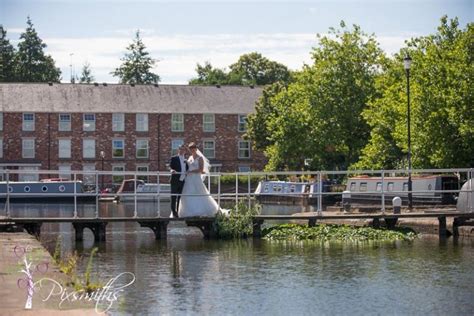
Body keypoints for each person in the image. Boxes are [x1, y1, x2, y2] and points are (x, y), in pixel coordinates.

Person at [178, 142, 219, 217]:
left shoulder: (200, 158)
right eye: (191, 149)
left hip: (196, 178)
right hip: (189, 179)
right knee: (188, 193)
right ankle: (189, 211)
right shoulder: (190, 158)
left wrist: (191, 171)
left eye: (193, 149)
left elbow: (200, 170)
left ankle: (201, 211)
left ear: (196, 149)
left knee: (199, 193)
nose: (192, 150)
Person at [169, 145, 189, 218]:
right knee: (173, 197)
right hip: (175, 180)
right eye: (180, 149)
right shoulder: (174, 158)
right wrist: (172, 170)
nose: (181, 151)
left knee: (180, 197)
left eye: (183, 149)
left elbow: (187, 169)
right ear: (178, 150)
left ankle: (178, 211)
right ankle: (174, 212)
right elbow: (170, 166)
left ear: (185, 151)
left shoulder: (186, 160)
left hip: (182, 180)